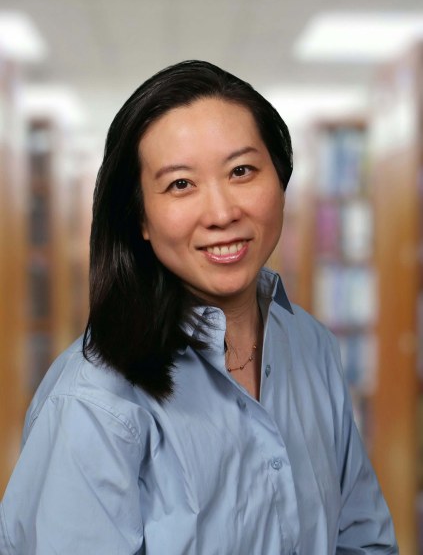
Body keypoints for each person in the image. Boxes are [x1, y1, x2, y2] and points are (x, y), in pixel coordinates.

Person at [0, 60, 398, 554]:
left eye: (242, 171)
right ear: (139, 218)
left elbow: (361, 539)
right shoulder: (95, 401)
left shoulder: (310, 346)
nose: (222, 212)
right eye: (180, 185)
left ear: (281, 177)